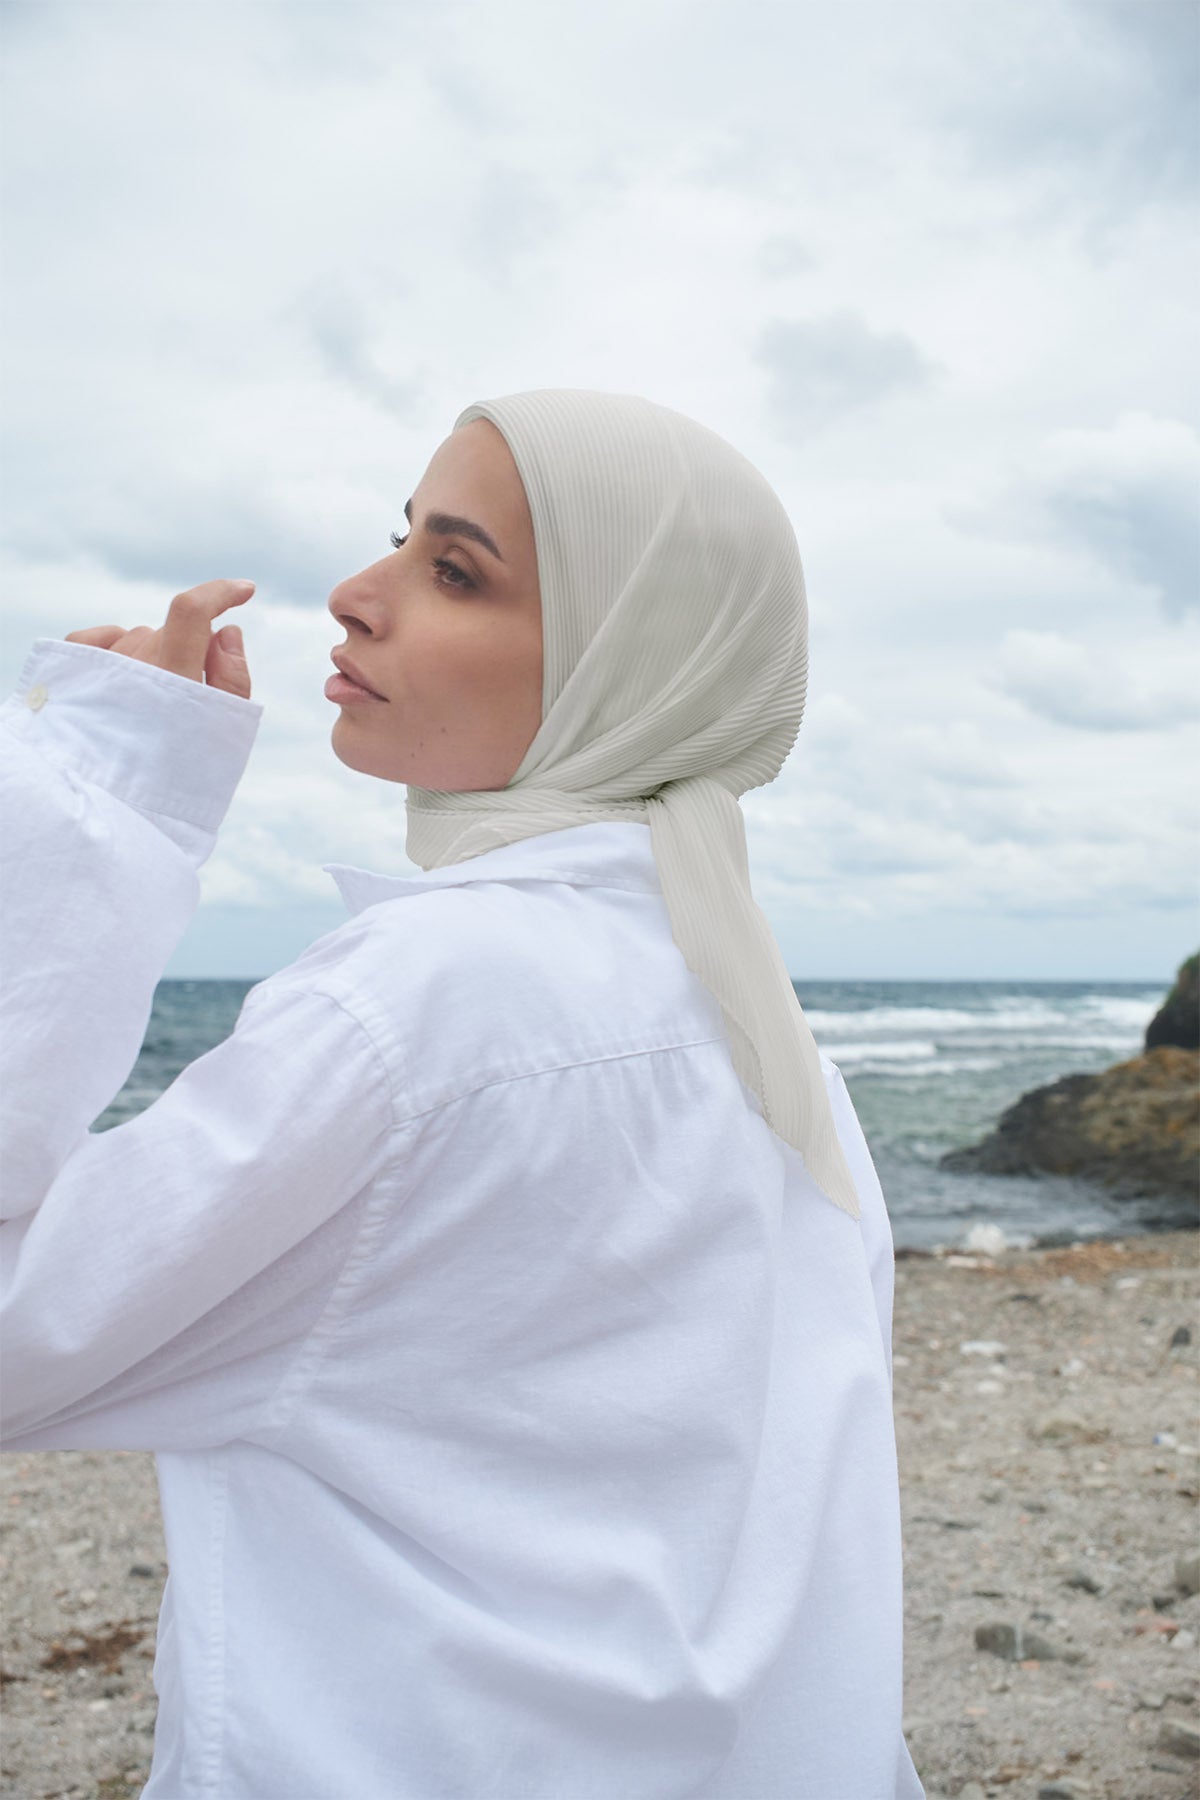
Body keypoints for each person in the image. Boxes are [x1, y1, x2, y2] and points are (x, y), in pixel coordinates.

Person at [0, 390, 925, 1799]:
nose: (357, 597)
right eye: (399, 543)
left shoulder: (418, 1007)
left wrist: (99, 799)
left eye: (456, 569)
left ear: (634, 659)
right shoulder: (754, 1017)